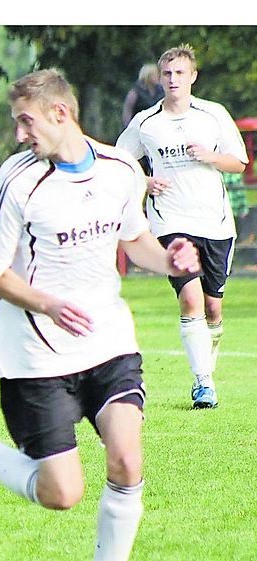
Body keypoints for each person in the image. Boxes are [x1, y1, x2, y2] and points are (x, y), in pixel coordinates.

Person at [0, 69, 200, 561]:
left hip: (107, 339)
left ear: (61, 114)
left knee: (126, 459)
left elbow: (136, 240)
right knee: (63, 494)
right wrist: (48, 302)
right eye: (16, 124)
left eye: (26, 122)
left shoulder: (121, 169)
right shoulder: (18, 180)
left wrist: (169, 259)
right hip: (33, 351)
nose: (20, 134)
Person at [116, 44, 248, 409]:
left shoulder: (213, 115)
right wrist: (144, 181)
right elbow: (120, 162)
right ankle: (203, 382)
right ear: (160, 78)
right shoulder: (145, 123)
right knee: (189, 298)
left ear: (193, 77)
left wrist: (210, 156)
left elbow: (239, 162)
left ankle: (208, 359)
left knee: (213, 309)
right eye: (167, 73)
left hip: (215, 222)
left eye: (180, 73)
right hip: (171, 222)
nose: (173, 79)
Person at [121, 63, 164, 128]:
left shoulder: (161, 91)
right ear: (148, 76)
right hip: (139, 127)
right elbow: (127, 111)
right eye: (155, 75)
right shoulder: (135, 92)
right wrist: (129, 128)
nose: (158, 77)